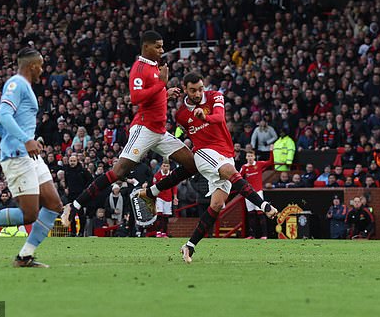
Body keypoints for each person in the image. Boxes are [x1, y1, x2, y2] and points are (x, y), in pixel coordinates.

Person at [63, 31, 197, 222]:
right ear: (146, 47)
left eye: (162, 46)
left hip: (159, 131)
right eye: (158, 46)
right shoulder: (139, 68)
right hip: (144, 128)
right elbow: (135, 98)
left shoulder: (154, 67)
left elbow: (151, 97)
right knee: (118, 172)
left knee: (191, 164)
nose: (162, 50)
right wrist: (161, 84)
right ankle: (74, 206)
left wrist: (165, 93)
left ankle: (150, 192)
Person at [0, 47, 64, 268]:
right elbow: (4, 115)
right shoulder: (16, 84)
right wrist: (24, 140)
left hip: (29, 155)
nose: (42, 71)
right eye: (41, 66)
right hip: (17, 156)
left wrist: (27, 139)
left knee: (54, 205)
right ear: (33, 66)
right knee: (29, 214)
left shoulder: (24, 87)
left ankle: (25, 256)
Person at [173, 72, 277, 263]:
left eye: (200, 89)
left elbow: (220, 118)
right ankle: (264, 205)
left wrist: (205, 116)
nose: (197, 93)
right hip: (203, 153)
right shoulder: (180, 114)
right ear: (185, 89)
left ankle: (189, 246)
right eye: (193, 90)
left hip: (225, 153)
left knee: (217, 204)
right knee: (230, 172)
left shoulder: (214, 96)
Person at [240, 148, 273, 239]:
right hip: (248, 193)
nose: (250, 158)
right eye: (248, 156)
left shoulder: (259, 164)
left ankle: (264, 235)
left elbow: (270, 162)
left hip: (258, 192)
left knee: (260, 213)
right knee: (251, 214)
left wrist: (271, 151)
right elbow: (239, 178)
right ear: (246, 157)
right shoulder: (244, 167)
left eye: (251, 156)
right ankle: (252, 235)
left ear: (254, 157)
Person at [153, 160, 177, 238]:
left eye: (167, 166)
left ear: (169, 167)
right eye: (164, 166)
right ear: (161, 167)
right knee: (159, 214)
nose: (165, 168)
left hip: (168, 198)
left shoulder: (172, 175)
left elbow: (174, 187)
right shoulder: (157, 176)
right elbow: (154, 187)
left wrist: (175, 197)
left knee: (165, 216)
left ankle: (164, 233)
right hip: (160, 197)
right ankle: (158, 232)